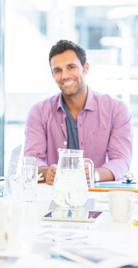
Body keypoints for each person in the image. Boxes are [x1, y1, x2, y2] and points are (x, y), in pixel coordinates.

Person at [24, 39, 133, 185]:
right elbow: (31, 159)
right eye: (58, 70)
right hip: (53, 200)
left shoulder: (116, 109)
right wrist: (46, 172)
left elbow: (121, 160)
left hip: (98, 201)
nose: (64, 76)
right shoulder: (39, 112)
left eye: (71, 67)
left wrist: (95, 174)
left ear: (85, 68)